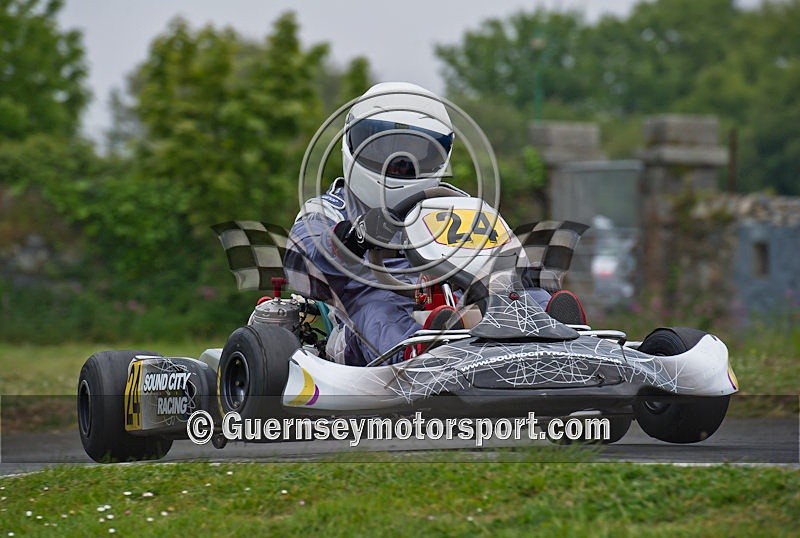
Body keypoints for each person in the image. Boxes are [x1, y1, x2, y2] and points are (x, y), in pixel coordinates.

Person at [284, 82, 555, 366]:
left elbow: (502, 251)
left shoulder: (453, 203)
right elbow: (301, 257)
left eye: (414, 153)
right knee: (378, 307)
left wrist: (523, 274)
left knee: (519, 293)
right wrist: (353, 238)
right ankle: (417, 353)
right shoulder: (331, 208)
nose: (398, 165)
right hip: (362, 321)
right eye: (383, 148)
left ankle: (557, 328)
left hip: (456, 299)